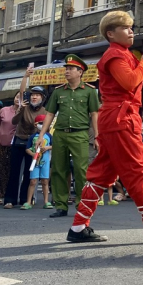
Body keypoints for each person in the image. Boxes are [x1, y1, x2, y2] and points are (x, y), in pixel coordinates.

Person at [66, 11, 143, 243]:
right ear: (111, 33)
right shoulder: (115, 55)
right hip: (121, 119)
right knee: (138, 171)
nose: (131, 30)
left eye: (131, 26)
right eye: (125, 27)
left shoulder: (125, 54)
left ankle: (78, 227)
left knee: (101, 174)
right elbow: (131, 81)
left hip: (119, 118)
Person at [38, 55, 99, 217]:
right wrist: (41, 135)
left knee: (81, 170)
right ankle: (61, 205)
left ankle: (82, 204)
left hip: (80, 134)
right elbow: (50, 114)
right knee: (59, 170)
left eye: (71, 69)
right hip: (60, 134)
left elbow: (94, 114)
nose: (67, 71)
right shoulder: (58, 92)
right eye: (66, 68)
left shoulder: (90, 91)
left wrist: (98, 136)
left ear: (80, 72)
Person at [6, 76, 47, 209]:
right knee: (14, 172)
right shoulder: (24, 106)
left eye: (37, 95)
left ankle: (25, 198)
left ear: (42, 98)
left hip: (34, 144)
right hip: (20, 140)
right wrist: (20, 110)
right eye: (33, 95)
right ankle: (10, 199)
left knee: (29, 172)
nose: (34, 97)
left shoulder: (45, 111)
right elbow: (14, 122)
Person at [0, 94, 18, 204]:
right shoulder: (5, 110)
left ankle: (11, 195)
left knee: (11, 171)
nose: (18, 99)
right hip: (1, 143)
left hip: (16, 145)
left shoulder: (25, 111)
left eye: (21, 97)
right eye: (16, 97)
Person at [22, 114, 52, 209]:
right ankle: (28, 201)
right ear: (36, 124)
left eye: (44, 123)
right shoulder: (33, 136)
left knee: (45, 181)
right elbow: (27, 149)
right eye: (40, 123)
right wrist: (33, 154)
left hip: (45, 162)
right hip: (35, 162)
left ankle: (46, 201)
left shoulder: (49, 136)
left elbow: (54, 145)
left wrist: (47, 147)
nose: (42, 125)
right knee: (33, 181)